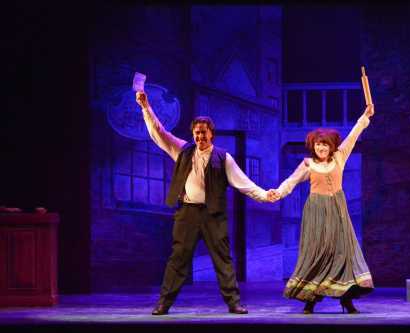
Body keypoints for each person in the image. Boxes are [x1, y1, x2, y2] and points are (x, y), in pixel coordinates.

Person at [135, 91, 275, 315]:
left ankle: (233, 303)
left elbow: (243, 183)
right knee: (178, 258)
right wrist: (145, 107)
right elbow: (159, 132)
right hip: (188, 213)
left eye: (204, 133)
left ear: (212, 135)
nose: (200, 137)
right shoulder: (182, 150)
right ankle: (164, 303)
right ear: (192, 134)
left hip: (213, 215)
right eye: (197, 133)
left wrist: (264, 195)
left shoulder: (223, 157)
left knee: (223, 259)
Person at [268, 104, 375, 314]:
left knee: (342, 253)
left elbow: (353, 135)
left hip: (337, 210)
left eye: (325, 145)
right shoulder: (308, 164)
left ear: (331, 146)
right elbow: (291, 181)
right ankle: (310, 300)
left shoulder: (339, 158)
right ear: (313, 146)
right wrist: (277, 193)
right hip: (316, 212)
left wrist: (365, 116)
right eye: (318, 145)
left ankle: (347, 299)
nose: (322, 148)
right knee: (316, 253)